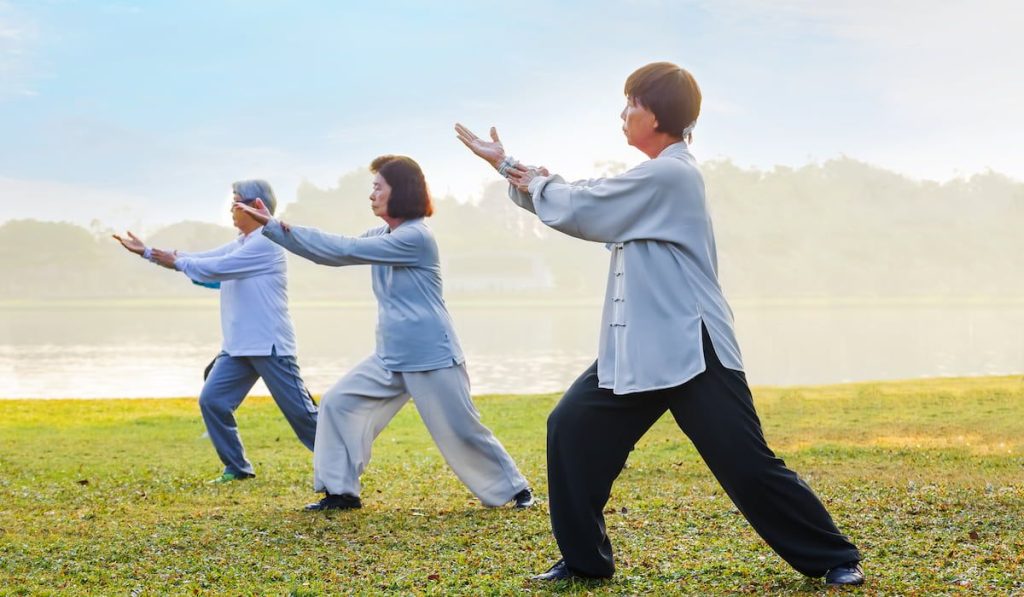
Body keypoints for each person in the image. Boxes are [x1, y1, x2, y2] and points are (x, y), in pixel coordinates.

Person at [454, 62, 864, 586]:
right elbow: (582, 202)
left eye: (632, 103)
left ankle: (833, 557)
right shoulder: (653, 178)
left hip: (693, 345)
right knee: (571, 428)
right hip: (637, 346)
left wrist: (510, 164)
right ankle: (585, 561)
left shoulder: (671, 173)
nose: (623, 113)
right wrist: (511, 168)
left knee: (745, 462)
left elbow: (582, 203)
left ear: (659, 114)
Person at [233, 155, 534, 511]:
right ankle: (340, 491)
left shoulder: (416, 237)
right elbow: (336, 247)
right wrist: (279, 229)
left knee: (460, 428)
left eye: (378, 187)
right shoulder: (385, 234)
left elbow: (344, 251)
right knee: (338, 403)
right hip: (391, 355)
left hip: (431, 355)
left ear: (400, 191)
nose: (371, 195)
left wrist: (273, 226)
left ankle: (515, 491)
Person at [113, 180, 318, 484]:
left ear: (255, 205)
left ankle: (343, 458)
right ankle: (237, 468)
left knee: (303, 417)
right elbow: (202, 259)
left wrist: (175, 260)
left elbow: (215, 268)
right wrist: (147, 253)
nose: (230, 209)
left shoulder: (268, 241)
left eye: (236, 202)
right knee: (213, 401)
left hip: (270, 345)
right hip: (238, 347)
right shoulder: (243, 242)